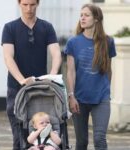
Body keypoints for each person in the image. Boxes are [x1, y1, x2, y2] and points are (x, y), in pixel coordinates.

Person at [1, 0, 61, 149]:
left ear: (38, 4)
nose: (29, 8)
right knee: (18, 136)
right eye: (25, 4)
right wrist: (22, 80)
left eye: (32, 4)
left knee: (43, 133)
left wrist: (52, 76)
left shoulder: (47, 27)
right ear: (19, 4)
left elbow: (56, 54)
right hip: (16, 89)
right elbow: (8, 57)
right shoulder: (10, 28)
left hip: (41, 90)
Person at [64, 4, 116, 150]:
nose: (82, 18)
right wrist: (71, 96)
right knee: (82, 142)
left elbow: (108, 69)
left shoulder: (108, 42)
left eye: (87, 15)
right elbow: (71, 71)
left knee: (100, 139)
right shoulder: (73, 42)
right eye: (81, 15)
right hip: (79, 99)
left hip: (101, 98)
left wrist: (105, 91)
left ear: (97, 19)